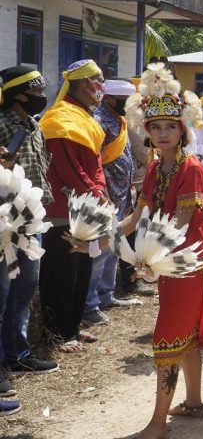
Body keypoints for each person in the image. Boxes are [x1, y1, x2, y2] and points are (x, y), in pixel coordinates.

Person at [118, 62, 203, 439]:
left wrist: (151, 256)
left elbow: (183, 219)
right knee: (184, 335)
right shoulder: (153, 169)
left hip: (186, 261)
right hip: (166, 262)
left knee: (168, 336)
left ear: (182, 130)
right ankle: (195, 403)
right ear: (147, 131)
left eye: (170, 126)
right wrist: (101, 236)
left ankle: (157, 423)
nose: (163, 133)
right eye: (156, 127)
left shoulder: (193, 168)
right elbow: (137, 216)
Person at [37, 59, 107, 353]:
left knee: (81, 270)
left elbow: (97, 163)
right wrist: (94, 190)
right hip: (63, 209)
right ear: (83, 83)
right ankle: (58, 331)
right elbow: (66, 166)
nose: (100, 86)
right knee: (61, 273)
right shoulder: (58, 119)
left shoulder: (84, 116)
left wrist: (99, 189)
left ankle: (73, 327)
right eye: (97, 80)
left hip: (86, 205)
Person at [0, 67, 59, 409]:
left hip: (32, 217)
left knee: (25, 290)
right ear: (20, 93)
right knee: (3, 293)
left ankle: (18, 352)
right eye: (37, 88)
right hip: (6, 220)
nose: (42, 93)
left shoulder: (33, 125)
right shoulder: (3, 123)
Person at [83, 78, 140, 328]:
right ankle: (90, 304)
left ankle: (107, 295)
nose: (128, 106)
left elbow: (124, 157)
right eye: (124, 101)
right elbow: (95, 162)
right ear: (109, 99)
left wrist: (131, 186)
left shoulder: (120, 119)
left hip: (122, 193)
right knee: (99, 253)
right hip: (104, 196)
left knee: (113, 249)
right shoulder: (98, 121)